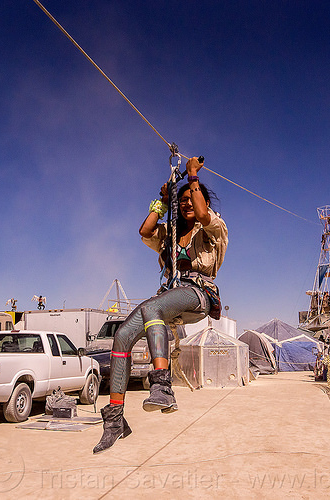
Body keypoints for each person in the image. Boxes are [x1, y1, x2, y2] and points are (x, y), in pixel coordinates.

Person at [93, 156, 228, 454]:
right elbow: (144, 231)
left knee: (152, 308)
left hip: (198, 294)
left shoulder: (214, 230)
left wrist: (192, 176)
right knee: (122, 336)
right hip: (169, 297)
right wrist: (162, 202)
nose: (187, 203)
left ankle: (162, 386)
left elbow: (204, 215)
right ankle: (115, 419)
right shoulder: (169, 233)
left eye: (192, 198)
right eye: (182, 201)